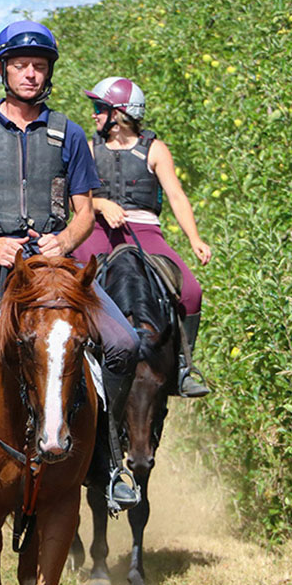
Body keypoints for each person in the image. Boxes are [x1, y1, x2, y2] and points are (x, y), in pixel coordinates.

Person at [0, 21, 141, 513]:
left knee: (125, 343)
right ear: (3, 69)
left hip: (56, 272)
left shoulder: (70, 134)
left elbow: (85, 212)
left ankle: (109, 463)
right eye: (20, 65)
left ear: (48, 73)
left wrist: (64, 241)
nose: (30, 74)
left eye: (39, 66)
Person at [74, 77, 212, 398]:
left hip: (145, 231)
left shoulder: (155, 149)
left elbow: (176, 195)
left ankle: (182, 367)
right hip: (97, 230)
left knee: (191, 291)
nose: (94, 114)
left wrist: (195, 239)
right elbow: (75, 198)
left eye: (99, 108)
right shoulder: (90, 148)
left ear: (118, 114)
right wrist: (101, 204)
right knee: (65, 283)